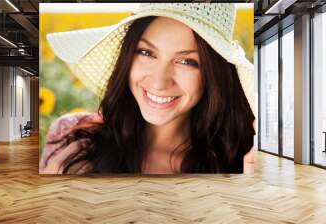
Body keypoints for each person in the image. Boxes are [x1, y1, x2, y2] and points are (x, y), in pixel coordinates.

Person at [40, 3, 256, 174]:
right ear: (128, 55)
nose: (159, 82)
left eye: (187, 62)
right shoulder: (69, 137)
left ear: (214, 74)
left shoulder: (239, 161)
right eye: (146, 52)